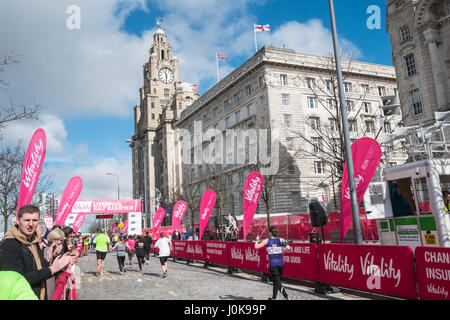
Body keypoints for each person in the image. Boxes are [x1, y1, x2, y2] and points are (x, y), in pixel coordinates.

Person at [0, 205, 72, 300]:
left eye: (34, 220)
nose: (31, 224)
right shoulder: (9, 245)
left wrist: (56, 262)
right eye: (27, 220)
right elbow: (17, 281)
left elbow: (39, 270)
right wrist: (52, 269)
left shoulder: (34, 241)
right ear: (17, 221)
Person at [255, 226, 292, 300]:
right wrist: (283, 249)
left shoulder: (267, 240)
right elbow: (289, 248)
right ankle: (274, 298)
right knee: (276, 281)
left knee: (277, 283)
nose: (268, 233)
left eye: (269, 232)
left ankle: (287, 297)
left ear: (271, 233)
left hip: (273, 265)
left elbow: (256, 247)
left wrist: (256, 240)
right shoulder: (281, 240)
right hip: (281, 265)